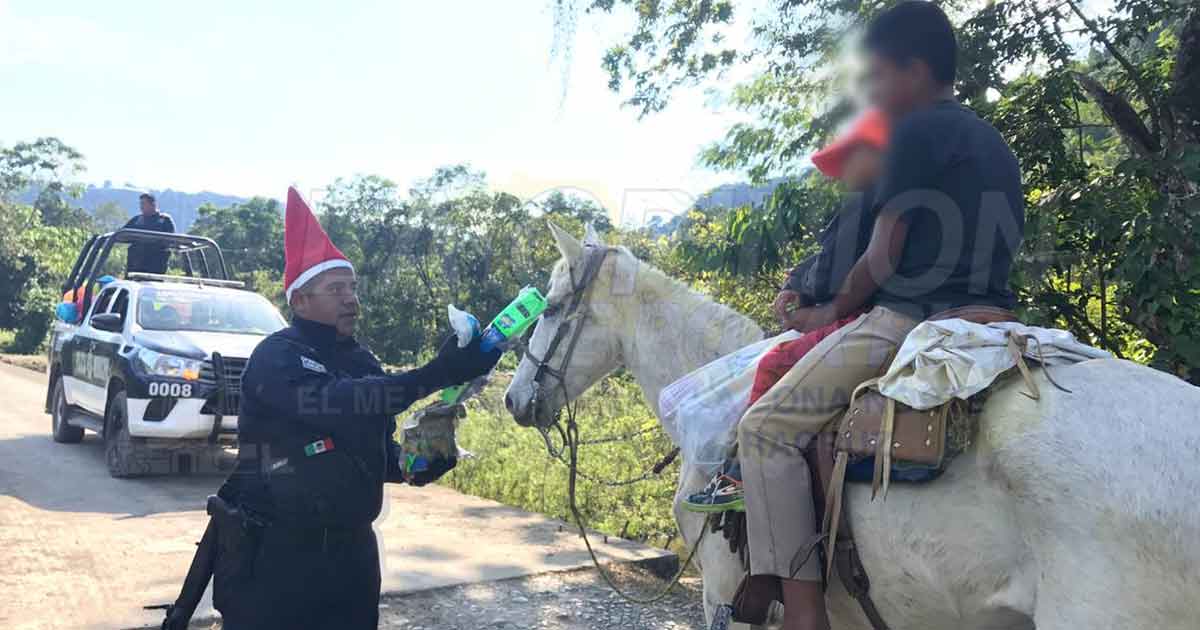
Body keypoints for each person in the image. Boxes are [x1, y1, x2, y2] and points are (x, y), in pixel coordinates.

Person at [736, 3, 1025, 629]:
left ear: (914, 71)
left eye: (877, 77)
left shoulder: (914, 132)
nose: (871, 93)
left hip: (914, 321)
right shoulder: (993, 143)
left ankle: (805, 612)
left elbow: (881, 254)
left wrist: (826, 313)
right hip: (996, 320)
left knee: (763, 428)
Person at [166, 188, 501, 630]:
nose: (350, 298)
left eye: (353, 287)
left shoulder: (362, 360)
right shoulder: (276, 357)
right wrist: (436, 372)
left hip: (351, 561)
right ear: (299, 300)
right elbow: (341, 404)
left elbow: (382, 459)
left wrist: (422, 460)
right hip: (275, 562)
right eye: (335, 288)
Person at [683, 109, 890, 513]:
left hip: (862, 316)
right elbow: (830, 259)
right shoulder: (877, 196)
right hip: (875, 308)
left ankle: (740, 474)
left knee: (775, 361)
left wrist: (804, 288)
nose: (841, 171)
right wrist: (798, 278)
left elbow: (835, 271)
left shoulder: (867, 197)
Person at [123, 192, 176, 275]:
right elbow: (122, 234)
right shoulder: (136, 220)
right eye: (140, 204)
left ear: (153, 204)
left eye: (144, 204)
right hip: (135, 265)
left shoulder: (165, 220)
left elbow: (171, 240)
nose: (141, 207)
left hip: (156, 266)